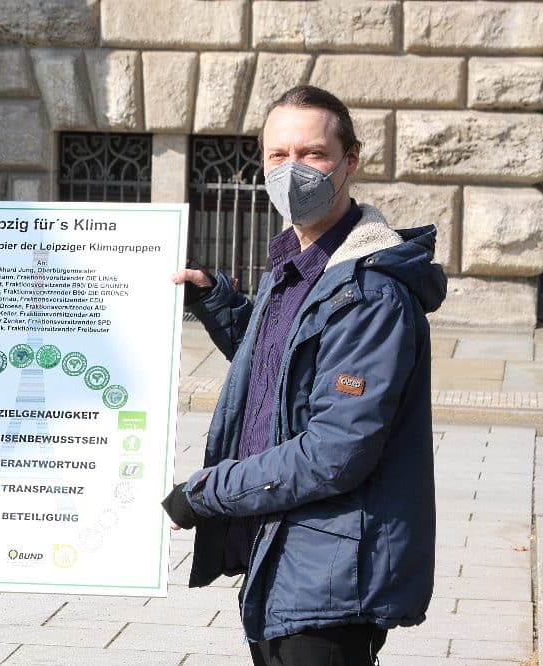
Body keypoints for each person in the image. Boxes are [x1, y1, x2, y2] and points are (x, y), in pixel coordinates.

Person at [165, 85, 446, 665]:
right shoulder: (296, 266)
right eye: (278, 156)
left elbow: (335, 450)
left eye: (312, 154)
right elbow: (289, 367)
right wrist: (217, 303)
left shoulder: (369, 295)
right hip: (286, 557)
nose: (293, 171)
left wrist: (207, 493)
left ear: (351, 161)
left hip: (332, 578)